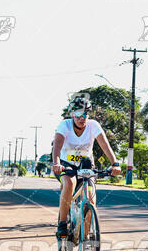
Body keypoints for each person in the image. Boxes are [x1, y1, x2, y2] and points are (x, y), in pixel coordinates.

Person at [52, 94, 121, 239]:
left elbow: (104, 145)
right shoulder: (64, 125)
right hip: (66, 165)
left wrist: (114, 163)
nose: (81, 118)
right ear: (72, 114)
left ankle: (85, 237)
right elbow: (57, 147)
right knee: (69, 183)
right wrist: (56, 163)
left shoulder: (93, 125)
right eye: (77, 114)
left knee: (91, 199)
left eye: (85, 114)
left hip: (86, 165)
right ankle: (62, 224)